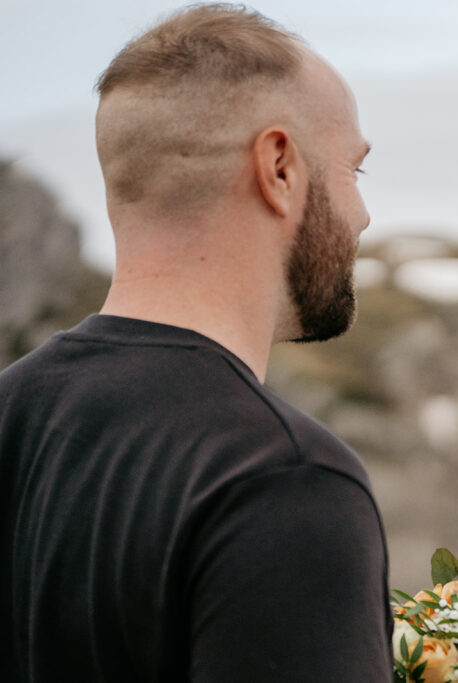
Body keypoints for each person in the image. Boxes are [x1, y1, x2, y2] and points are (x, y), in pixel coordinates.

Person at [0, 5, 391, 681]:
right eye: (355, 171)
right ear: (279, 166)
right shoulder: (284, 480)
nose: (363, 214)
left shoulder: (10, 410)